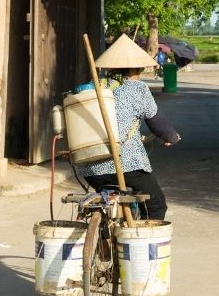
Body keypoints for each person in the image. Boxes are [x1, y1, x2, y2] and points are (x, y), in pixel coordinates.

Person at [77, 34, 181, 220]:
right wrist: (171, 137)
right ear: (137, 67)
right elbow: (158, 123)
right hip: (127, 167)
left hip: (89, 169)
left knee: (106, 193)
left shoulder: (94, 86)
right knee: (156, 206)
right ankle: (136, 248)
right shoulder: (138, 88)